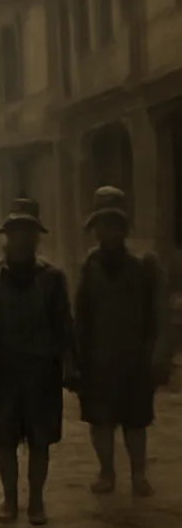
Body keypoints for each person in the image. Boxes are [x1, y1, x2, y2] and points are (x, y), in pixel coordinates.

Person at [0, 196, 76, 526]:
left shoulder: (52, 279)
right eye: (15, 232)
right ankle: (10, 500)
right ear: (7, 236)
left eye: (28, 232)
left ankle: (37, 502)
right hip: (2, 372)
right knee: (4, 441)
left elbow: (64, 326)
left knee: (40, 440)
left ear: (37, 237)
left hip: (41, 371)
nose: (21, 239)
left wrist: (69, 364)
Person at [74, 186, 172, 497]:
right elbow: (81, 315)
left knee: (135, 422)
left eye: (113, 224)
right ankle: (106, 472)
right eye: (101, 225)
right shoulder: (90, 266)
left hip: (135, 358)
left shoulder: (145, 265)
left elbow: (159, 313)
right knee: (100, 421)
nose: (107, 232)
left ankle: (139, 474)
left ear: (124, 228)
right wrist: (76, 359)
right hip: (98, 358)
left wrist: (159, 355)